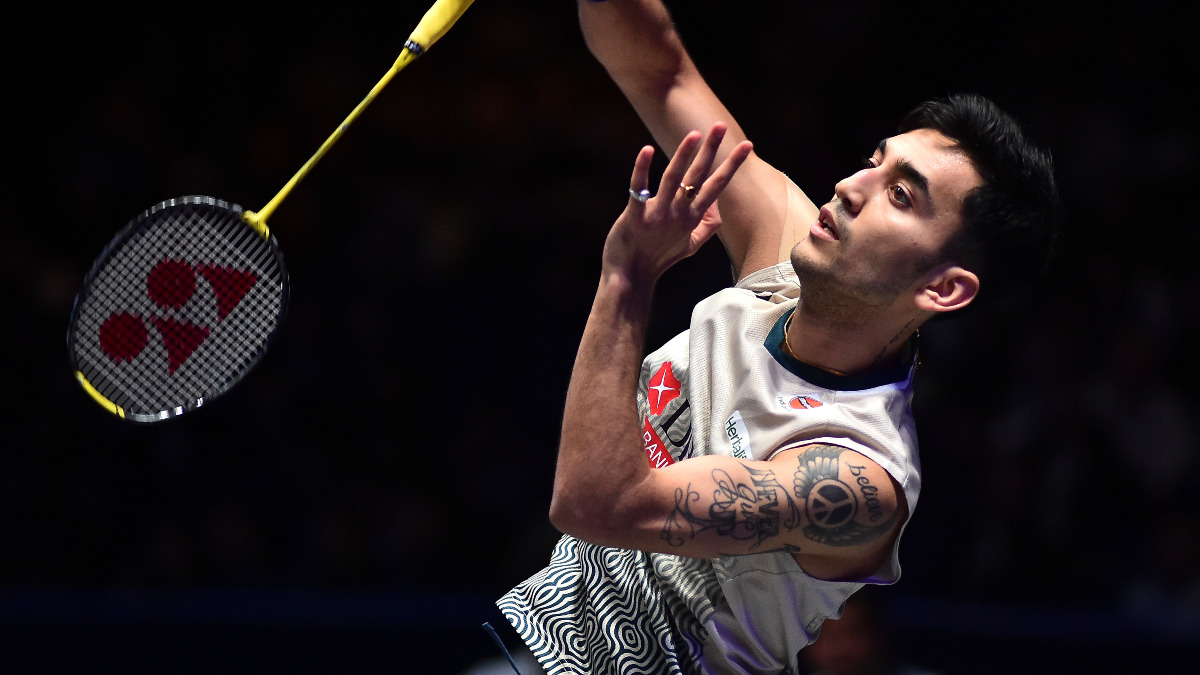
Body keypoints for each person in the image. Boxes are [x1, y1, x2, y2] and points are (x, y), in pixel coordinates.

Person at [498, 1, 1060, 673]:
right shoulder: (781, 251)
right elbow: (659, 71)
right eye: (874, 162)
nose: (850, 187)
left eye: (900, 196)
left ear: (944, 288)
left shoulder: (855, 476)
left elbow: (596, 503)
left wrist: (627, 278)